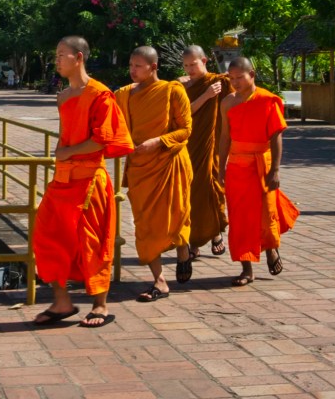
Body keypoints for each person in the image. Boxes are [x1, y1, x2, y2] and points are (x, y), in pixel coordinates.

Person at [32, 36, 134, 328]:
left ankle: (100, 305)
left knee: (92, 241)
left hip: (89, 179)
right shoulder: (62, 96)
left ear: (78, 57)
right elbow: (67, 135)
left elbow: (102, 141)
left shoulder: (101, 94)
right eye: (56, 54)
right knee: (47, 237)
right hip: (63, 179)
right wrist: (64, 156)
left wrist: (68, 152)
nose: (57, 60)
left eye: (61, 54)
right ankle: (62, 301)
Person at [114, 46, 194, 301]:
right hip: (140, 167)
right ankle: (159, 281)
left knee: (176, 213)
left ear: (153, 67)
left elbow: (185, 129)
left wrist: (158, 142)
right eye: (130, 65)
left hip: (169, 161)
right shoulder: (123, 95)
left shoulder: (172, 90)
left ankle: (183, 249)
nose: (132, 70)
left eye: (138, 66)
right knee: (144, 225)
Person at [217, 57, 299, 286]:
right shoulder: (227, 103)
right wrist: (220, 167)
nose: (235, 83)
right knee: (239, 217)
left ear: (252, 74)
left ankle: (271, 249)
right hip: (236, 166)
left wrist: (275, 170)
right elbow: (225, 137)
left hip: (261, 163)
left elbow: (276, 136)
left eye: (239, 78)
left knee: (266, 211)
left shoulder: (267, 100)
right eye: (231, 79)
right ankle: (246, 268)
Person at [178, 45, 230, 258]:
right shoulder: (181, 85)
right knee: (190, 192)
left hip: (212, 146)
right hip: (189, 145)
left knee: (211, 189)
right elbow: (184, 113)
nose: (190, 69)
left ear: (205, 60)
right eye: (186, 65)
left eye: (194, 64)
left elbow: (234, 105)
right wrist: (207, 95)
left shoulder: (220, 82)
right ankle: (194, 242)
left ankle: (215, 233)